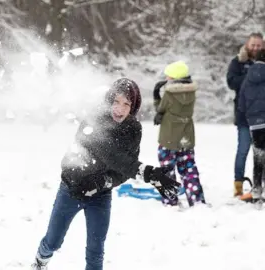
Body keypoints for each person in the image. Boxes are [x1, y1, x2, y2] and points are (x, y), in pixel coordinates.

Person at [31, 78, 180, 270]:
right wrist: (147, 173)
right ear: (109, 100)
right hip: (72, 188)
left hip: (100, 195)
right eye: (116, 101)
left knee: (96, 250)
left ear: (133, 107)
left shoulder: (133, 129)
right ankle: (40, 261)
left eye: (127, 104)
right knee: (53, 241)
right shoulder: (94, 119)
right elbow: (112, 156)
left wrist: (104, 181)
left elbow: (123, 170)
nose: (120, 109)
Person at [152, 61, 206, 207]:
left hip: (169, 137)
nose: (166, 78)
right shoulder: (191, 92)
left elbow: (160, 110)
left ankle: (170, 200)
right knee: (189, 168)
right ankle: (196, 199)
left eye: (168, 76)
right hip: (186, 136)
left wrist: (156, 95)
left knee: (167, 169)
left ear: (174, 78)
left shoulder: (169, 94)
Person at [226, 33, 263, 198]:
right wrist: (252, 76)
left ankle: (258, 185)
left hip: (262, 116)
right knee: (243, 150)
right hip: (243, 114)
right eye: (253, 45)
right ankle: (238, 184)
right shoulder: (238, 62)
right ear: (247, 45)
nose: (255, 48)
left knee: (260, 152)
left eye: (259, 45)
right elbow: (231, 82)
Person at [238, 48, 265, 203]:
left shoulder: (248, 78)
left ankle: (256, 190)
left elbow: (241, 103)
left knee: (259, 155)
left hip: (255, 124)